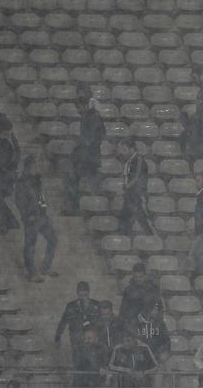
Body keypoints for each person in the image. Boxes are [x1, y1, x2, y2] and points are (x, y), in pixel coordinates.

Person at [11, 155, 57, 282]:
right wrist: (27, 216)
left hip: (41, 217)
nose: (38, 168)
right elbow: (19, 202)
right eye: (35, 165)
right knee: (30, 245)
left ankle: (46, 268)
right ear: (28, 167)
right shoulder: (21, 183)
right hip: (31, 219)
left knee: (53, 239)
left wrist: (44, 210)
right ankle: (32, 273)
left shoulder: (37, 181)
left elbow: (41, 198)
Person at [65, 85, 106, 214]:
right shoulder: (90, 116)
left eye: (78, 108)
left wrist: (83, 143)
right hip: (88, 158)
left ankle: (80, 209)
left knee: (79, 182)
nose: (78, 111)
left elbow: (94, 137)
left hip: (88, 158)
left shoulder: (92, 116)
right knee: (82, 182)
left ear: (84, 105)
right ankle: (83, 208)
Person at [55, 281, 102, 369]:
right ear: (77, 293)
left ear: (89, 292)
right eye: (80, 291)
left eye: (85, 291)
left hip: (92, 340)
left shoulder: (96, 305)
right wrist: (57, 337)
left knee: (93, 362)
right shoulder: (71, 306)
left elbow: (102, 323)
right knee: (78, 362)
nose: (83, 293)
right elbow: (63, 321)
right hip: (77, 339)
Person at [116, 139, 154, 236]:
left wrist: (125, 189)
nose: (122, 153)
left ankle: (153, 238)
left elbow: (136, 178)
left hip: (137, 196)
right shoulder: (129, 161)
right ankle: (125, 242)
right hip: (130, 196)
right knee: (124, 221)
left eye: (124, 150)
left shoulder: (138, 160)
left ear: (132, 149)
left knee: (143, 221)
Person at [119, 263, 162, 329]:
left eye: (140, 276)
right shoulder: (128, 290)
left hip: (150, 324)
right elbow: (123, 310)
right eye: (136, 276)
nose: (138, 279)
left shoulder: (153, 289)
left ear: (145, 276)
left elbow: (159, 307)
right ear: (133, 275)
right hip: (133, 324)